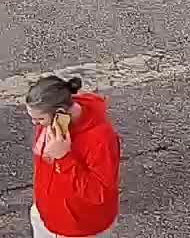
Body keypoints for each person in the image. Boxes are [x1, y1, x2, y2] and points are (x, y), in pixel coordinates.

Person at [26, 74, 121, 238]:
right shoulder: (53, 122)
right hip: (46, 215)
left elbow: (99, 193)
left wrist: (64, 159)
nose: (35, 124)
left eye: (39, 119)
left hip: (79, 228)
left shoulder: (101, 139)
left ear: (60, 113)